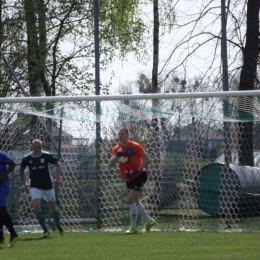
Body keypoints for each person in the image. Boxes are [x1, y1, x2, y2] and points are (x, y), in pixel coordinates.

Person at [108, 128, 156, 234]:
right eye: (119, 134)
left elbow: (148, 160)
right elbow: (110, 164)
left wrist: (136, 171)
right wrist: (118, 155)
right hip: (128, 178)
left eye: (123, 134)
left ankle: (133, 227)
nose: (120, 136)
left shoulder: (135, 146)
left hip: (139, 175)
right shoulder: (117, 149)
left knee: (130, 200)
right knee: (136, 201)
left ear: (127, 135)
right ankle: (149, 221)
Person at [20, 139, 64, 237]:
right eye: (35, 147)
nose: (37, 149)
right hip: (35, 185)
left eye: (39, 147)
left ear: (42, 147)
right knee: (36, 206)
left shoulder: (46, 155)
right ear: (31, 147)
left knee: (53, 208)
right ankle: (45, 229)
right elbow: (21, 169)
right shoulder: (27, 158)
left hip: (48, 185)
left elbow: (58, 165)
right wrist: (25, 182)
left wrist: (57, 179)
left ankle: (57, 224)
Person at [0, 151, 20, 247]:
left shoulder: (0, 154)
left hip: (2, 187)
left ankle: (11, 234)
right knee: (2, 211)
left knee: (1, 209)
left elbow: (13, 164)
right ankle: (11, 235)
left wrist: (4, 175)